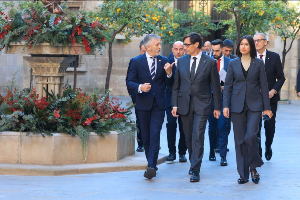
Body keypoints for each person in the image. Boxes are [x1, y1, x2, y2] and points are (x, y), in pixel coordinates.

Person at [172, 32, 222, 182]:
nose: (184, 47)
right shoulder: (181, 61)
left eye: (187, 45)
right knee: (188, 136)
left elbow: (216, 87)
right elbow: (176, 86)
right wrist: (174, 104)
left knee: (198, 135)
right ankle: (193, 160)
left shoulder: (210, 62)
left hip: (203, 104)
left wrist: (217, 107)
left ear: (196, 45)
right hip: (184, 104)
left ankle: (195, 168)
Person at [223, 35, 273, 184]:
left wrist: (267, 108)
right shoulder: (233, 63)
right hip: (237, 106)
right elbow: (228, 86)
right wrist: (225, 105)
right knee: (239, 141)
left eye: (246, 44)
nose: (243, 46)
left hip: (254, 106)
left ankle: (253, 167)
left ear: (251, 46)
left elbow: (264, 87)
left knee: (250, 136)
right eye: (241, 44)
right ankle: (244, 174)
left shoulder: (258, 63)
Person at [127, 34, 173, 179]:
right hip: (143, 104)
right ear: (148, 47)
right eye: (157, 44)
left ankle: (152, 165)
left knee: (155, 133)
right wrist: (140, 87)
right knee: (146, 136)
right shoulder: (136, 62)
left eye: (160, 44)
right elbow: (129, 82)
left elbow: (169, 84)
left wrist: (169, 74)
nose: (160, 47)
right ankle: (150, 162)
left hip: (159, 105)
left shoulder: (165, 61)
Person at [254, 33, 286, 161]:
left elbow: (281, 77)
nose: (256, 43)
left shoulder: (274, 57)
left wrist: (274, 90)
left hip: (270, 98)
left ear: (265, 42)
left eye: (259, 41)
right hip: (255, 98)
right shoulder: (250, 58)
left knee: (270, 126)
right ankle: (259, 149)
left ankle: (268, 146)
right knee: (256, 126)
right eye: (255, 41)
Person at [207, 39, 231, 166]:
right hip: (210, 100)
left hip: (224, 99)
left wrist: (225, 86)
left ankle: (223, 155)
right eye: (213, 50)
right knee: (212, 127)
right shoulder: (207, 61)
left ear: (222, 49)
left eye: (217, 50)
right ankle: (211, 151)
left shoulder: (230, 63)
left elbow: (233, 81)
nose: (214, 53)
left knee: (223, 126)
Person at [165, 41, 187, 162]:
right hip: (170, 99)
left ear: (184, 49)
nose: (178, 52)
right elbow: (166, 83)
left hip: (184, 99)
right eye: (176, 49)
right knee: (171, 125)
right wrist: (169, 74)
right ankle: (171, 152)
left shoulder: (188, 61)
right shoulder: (166, 61)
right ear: (172, 49)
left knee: (184, 127)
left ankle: (182, 152)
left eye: (181, 49)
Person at [126, 41, 146, 153]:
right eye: (143, 51)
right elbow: (129, 80)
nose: (144, 53)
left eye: (146, 51)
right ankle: (140, 143)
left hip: (151, 97)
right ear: (140, 50)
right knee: (140, 120)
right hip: (138, 96)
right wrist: (134, 95)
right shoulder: (135, 61)